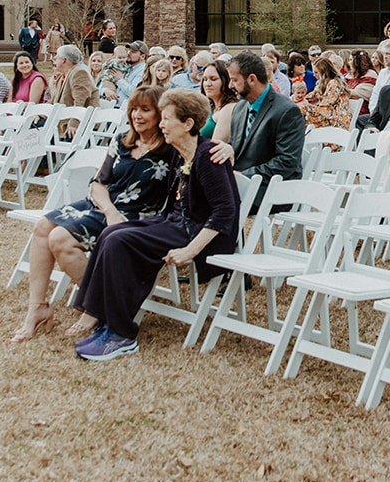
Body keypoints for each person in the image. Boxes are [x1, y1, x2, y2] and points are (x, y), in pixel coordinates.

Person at [70, 90, 241, 362]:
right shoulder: (178, 151)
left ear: (187, 124)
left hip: (197, 233)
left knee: (119, 242)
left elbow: (225, 213)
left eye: (166, 119)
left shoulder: (209, 157)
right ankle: (105, 320)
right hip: (174, 222)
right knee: (111, 232)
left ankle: (121, 336)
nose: (160, 124)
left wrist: (189, 251)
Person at [12, 87, 178, 342]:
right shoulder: (123, 140)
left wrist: (228, 150)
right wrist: (109, 210)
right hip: (104, 206)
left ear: (161, 114)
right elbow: (98, 182)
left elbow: (203, 150)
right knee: (43, 226)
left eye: (146, 110)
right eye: (134, 108)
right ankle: (38, 308)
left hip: (137, 216)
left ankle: (96, 306)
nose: (137, 115)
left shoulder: (171, 147)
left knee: (59, 239)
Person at [221, 50, 305, 202]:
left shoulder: (287, 111)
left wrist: (244, 176)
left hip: (272, 189)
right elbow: (235, 147)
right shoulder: (239, 108)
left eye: (234, 80)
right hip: (240, 184)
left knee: (213, 202)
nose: (230, 85)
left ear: (252, 79)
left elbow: (287, 162)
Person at [51, 44, 100, 136]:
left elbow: (81, 100)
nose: (54, 60)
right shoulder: (61, 76)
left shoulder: (79, 73)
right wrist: (38, 114)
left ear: (63, 60)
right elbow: (52, 101)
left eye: (56, 57)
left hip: (76, 125)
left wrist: (74, 124)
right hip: (58, 122)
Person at [302, 54, 352, 130]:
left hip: (337, 119)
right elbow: (311, 96)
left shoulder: (334, 83)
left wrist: (304, 105)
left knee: (303, 108)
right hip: (328, 115)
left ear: (324, 73)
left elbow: (327, 106)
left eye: (316, 73)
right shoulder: (323, 84)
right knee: (298, 107)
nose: (314, 75)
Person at [199, 58, 237, 140]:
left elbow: (216, 145)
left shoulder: (229, 109)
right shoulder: (210, 108)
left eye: (213, 79)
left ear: (225, 81)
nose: (207, 84)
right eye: (205, 79)